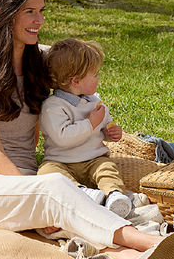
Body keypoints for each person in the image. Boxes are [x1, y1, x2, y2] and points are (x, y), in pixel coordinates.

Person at [0, 0, 174, 259]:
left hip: (31, 183)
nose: (40, 21)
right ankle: (148, 244)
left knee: (78, 215)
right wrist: (36, 195)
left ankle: (149, 250)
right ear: (3, 14)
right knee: (59, 189)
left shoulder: (42, 61)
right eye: (30, 12)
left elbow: (85, 76)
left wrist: (102, 127)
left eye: (41, 11)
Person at [38, 38, 133, 218]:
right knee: (47, 172)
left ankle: (114, 196)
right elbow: (63, 137)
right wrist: (91, 123)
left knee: (107, 169)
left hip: (93, 159)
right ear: (75, 81)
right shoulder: (54, 106)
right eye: (95, 74)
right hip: (62, 161)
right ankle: (82, 193)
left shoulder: (94, 101)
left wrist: (110, 132)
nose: (99, 78)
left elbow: (103, 126)